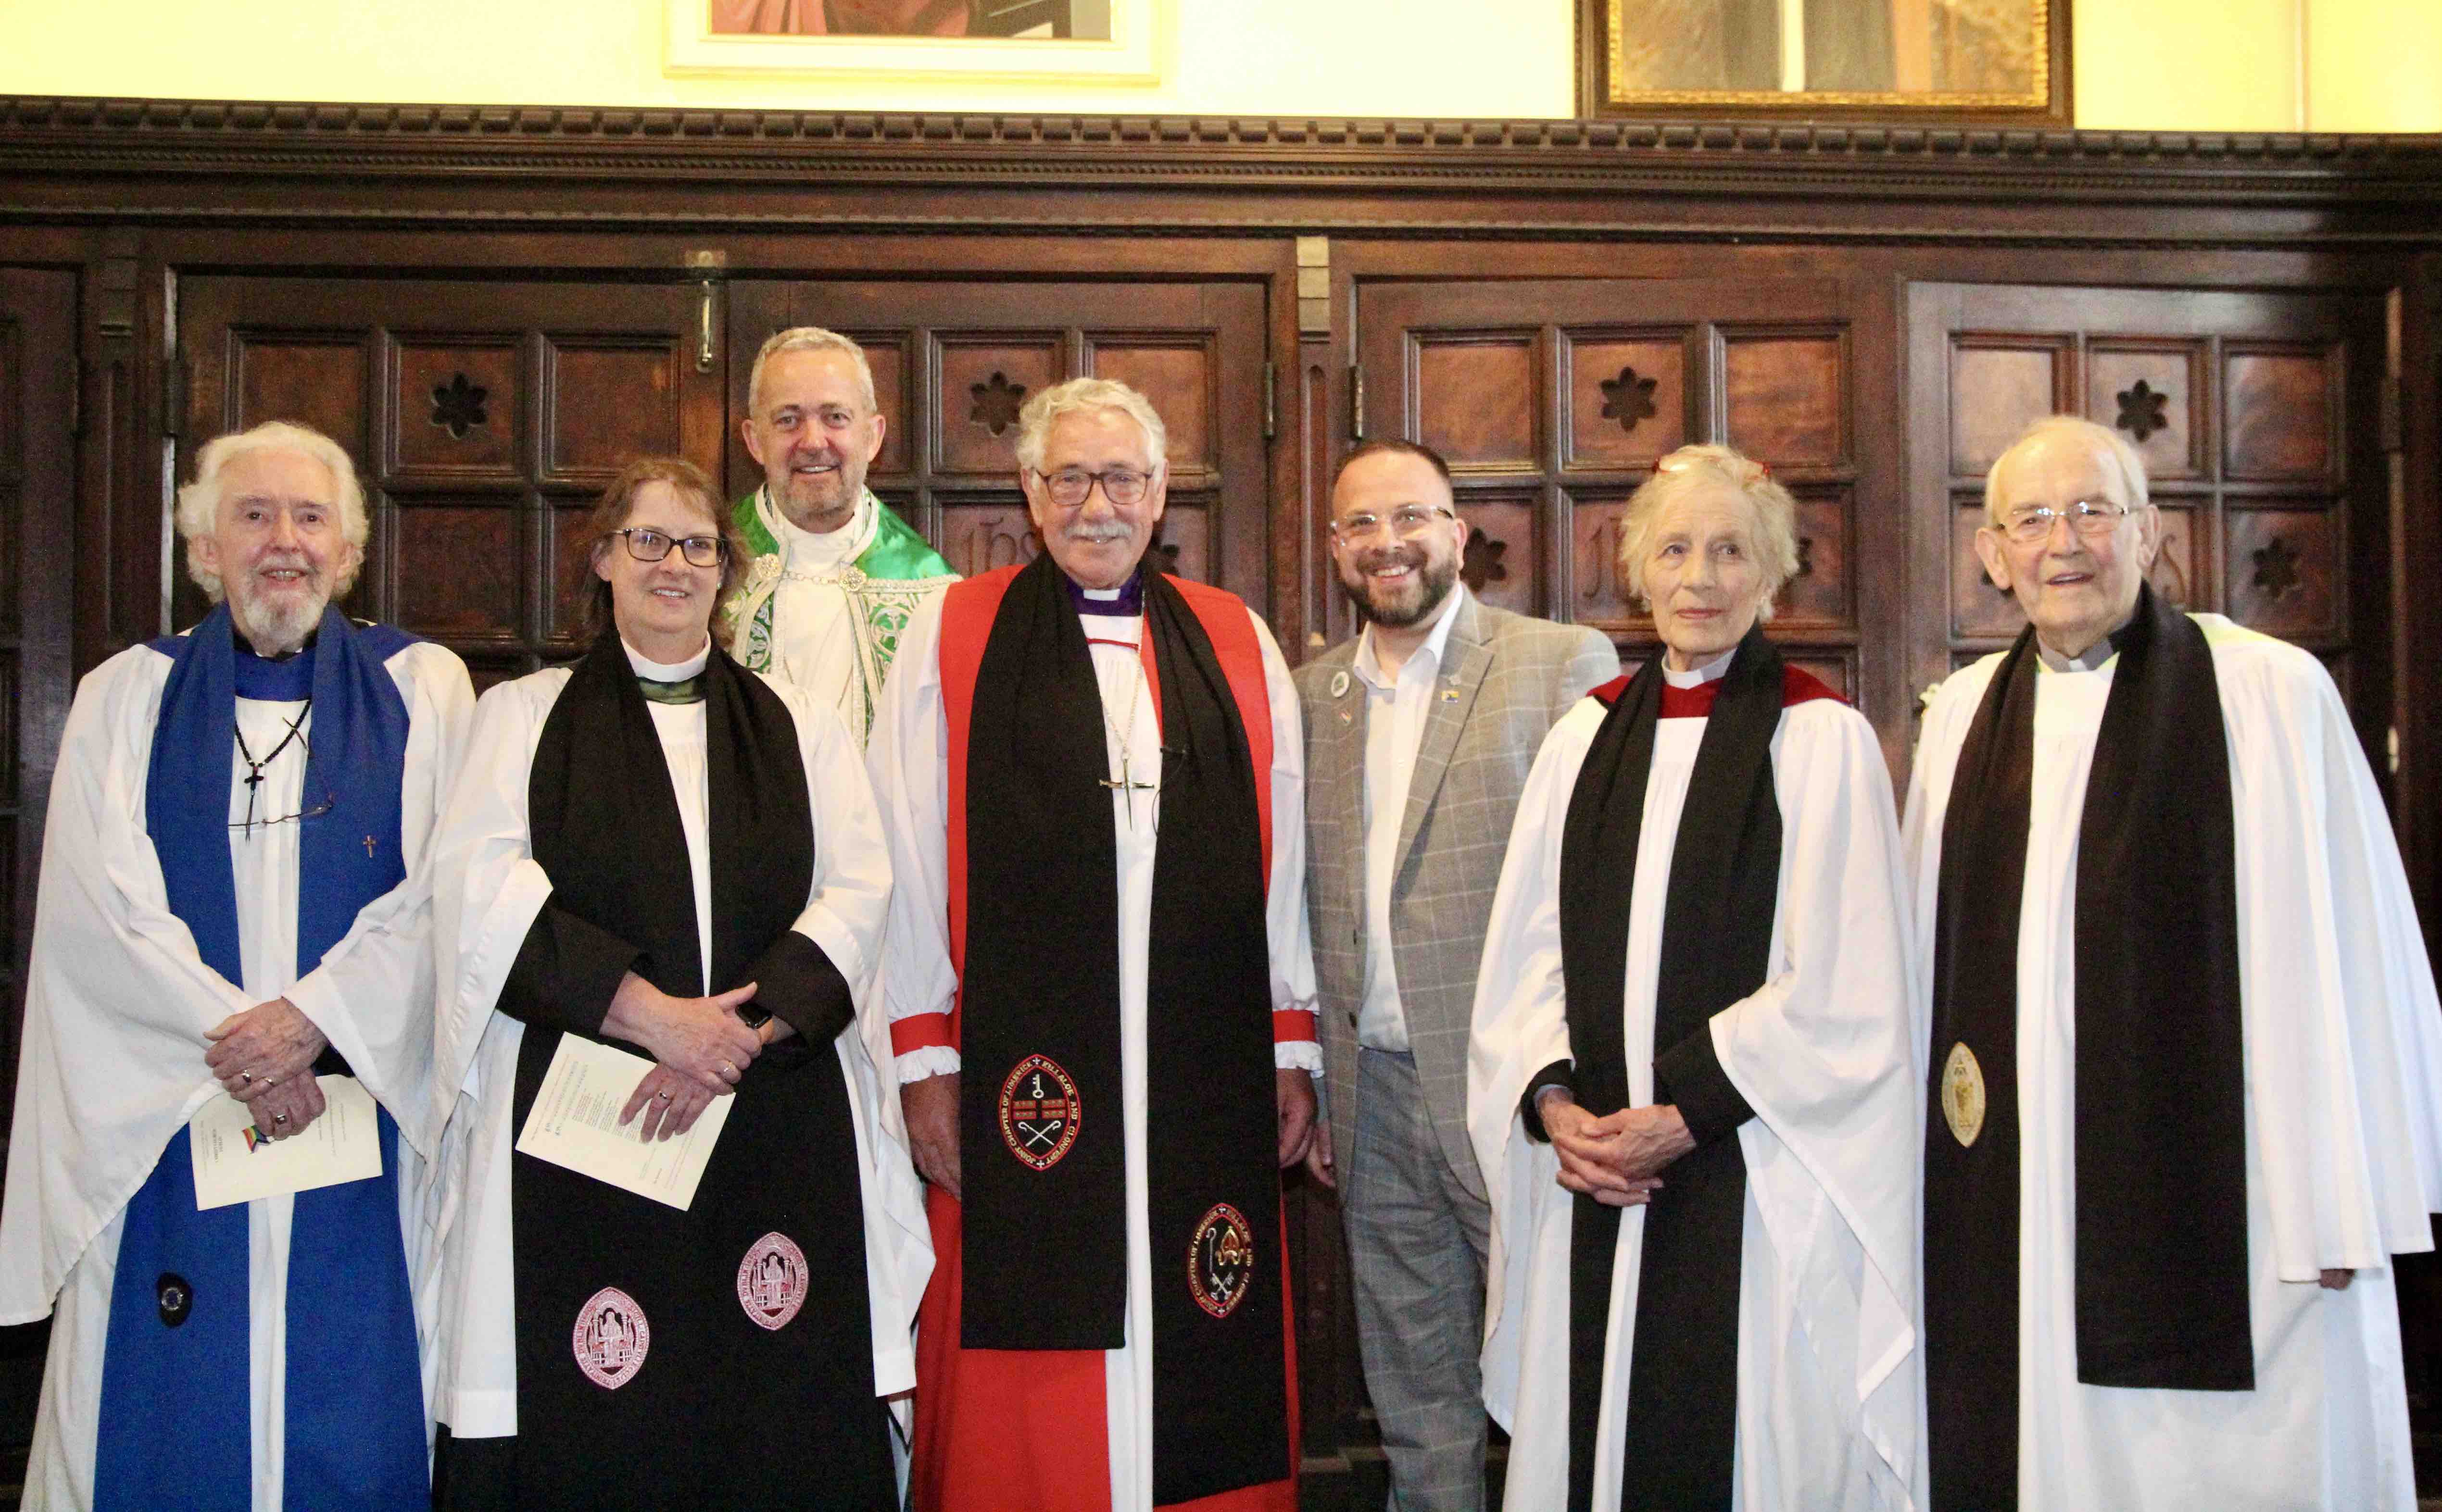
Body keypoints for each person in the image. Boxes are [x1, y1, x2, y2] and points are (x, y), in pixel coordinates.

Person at [1906, 415, 2442, 1511]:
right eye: (2034, 518)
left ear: (2148, 533)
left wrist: (2346, 1193)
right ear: (1993, 555)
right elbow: (1921, 976)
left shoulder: (2268, 692)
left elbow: (2354, 947)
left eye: (2095, 510)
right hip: (2023, 1201)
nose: (2067, 542)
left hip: (2248, 1213)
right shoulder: (1958, 720)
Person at [425, 457, 928, 1508]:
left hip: (772, 1104)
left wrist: (731, 1039)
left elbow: (859, 887)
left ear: (726, 574)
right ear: (604, 560)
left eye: (699, 545)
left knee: (771, 1382)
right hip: (588, 1116)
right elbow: (481, 889)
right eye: (648, 542)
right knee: (606, 1388)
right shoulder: (524, 717)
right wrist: (653, 1020)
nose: (674, 565)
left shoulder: (798, 721)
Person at [0, 421, 474, 1509]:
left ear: (349, 550)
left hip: (359, 1119)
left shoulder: (423, 689)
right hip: (176, 1118)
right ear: (204, 549)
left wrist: (313, 1020)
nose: (284, 543)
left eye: (310, 518)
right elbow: (97, 910)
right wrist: (247, 1042)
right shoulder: (130, 695)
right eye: (252, 516)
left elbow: (449, 892)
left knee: (360, 1402)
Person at [869, 377, 1319, 1511]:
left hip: (1195, 1064)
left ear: (1160, 492)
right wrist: (924, 1058)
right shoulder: (956, 630)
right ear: (1029, 491)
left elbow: (1283, 858)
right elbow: (904, 852)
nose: (1095, 502)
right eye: (1067, 477)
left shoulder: (1234, 640)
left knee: (1198, 1314)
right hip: (1024, 1066)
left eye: (1120, 477)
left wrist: (1289, 1042)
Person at [1470, 444, 1924, 1511]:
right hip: (1595, 1176)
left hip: (1754, 1168)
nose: (1701, 578)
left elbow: (1849, 986)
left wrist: (1685, 1109)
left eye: (1731, 551)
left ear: (1770, 576)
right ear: (1636, 570)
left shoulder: (1820, 740)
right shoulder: (1582, 741)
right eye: (1674, 549)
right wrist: (1554, 1103)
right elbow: (1527, 950)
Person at [1297, 438, 1616, 1510]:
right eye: (1360, 525)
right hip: (1371, 1094)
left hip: (1514, 1090)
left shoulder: (1559, 663)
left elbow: (1598, 892)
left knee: (1553, 1371)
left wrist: (1573, 1072)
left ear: (1457, 534)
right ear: (1335, 547)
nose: (1387, 544)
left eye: (1410, 517)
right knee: (1414, 1394)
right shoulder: (1306, 697)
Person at [727, 325, 957, 742]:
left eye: (836, 417)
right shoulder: (704, 572)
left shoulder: (933, 592)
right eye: (788, 419)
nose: (813, 442)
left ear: (873, 436)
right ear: (754, 441)